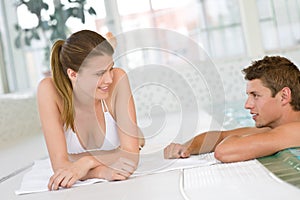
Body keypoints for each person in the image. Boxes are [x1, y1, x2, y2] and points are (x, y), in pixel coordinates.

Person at [37, 30, 144, 191]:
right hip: (108, 153)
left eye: (110, 68)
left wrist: (86, 162)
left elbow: (131, 156)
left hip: (123, 135)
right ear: (73, 74)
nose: (109, 79)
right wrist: (102, 172)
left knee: (139, 140)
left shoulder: (118, 78)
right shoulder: (48, 90)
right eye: (100, 73)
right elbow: (61, 166)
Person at [164, 56, 300, 163]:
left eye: (256, 95)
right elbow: (220, 136)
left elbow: (224, 151)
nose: (247, 105)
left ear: (284, 96)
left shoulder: (294, 130)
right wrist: (186, 148)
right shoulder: (275, 129)